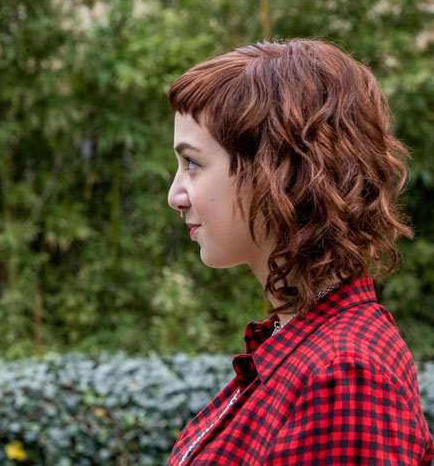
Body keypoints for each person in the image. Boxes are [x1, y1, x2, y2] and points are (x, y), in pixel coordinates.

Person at [166, 39, 433, 465]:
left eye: (193, 163)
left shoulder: (343, 375)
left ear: (278, 170)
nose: (175, 195)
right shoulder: (293, 345)